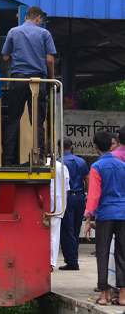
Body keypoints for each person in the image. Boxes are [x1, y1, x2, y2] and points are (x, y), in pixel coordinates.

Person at [1, 6, 57, 167]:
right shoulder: (45, 34)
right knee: (38, 121)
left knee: (13, 119)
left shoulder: (13, 32)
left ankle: (6, 160)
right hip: (38, 82)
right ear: (38, 17)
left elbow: (5, 57)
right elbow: (50, 60)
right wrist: (52, 80)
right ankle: (38, 158)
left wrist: (17, 55)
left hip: (18, 80)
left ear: (26, 17)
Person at [84, 131, 125, 305]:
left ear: (95, 146)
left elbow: (94, 195)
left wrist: (88, 218)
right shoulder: (122, 165)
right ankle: (123, 296)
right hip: (123, 212)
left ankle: (103, 295)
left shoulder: (97, 167)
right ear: (111, 144)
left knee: (102, 253)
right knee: (122, 254)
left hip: (106, 214)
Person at [58, 138, 90, 271]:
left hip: (67, 198)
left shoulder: (59, 163)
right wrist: (87, 195)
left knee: (67, 230)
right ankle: (73, 257)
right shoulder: (81, 161)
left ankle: (72, 261)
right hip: (79, 198)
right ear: (71, 147)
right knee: (76, 230)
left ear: (59, 149)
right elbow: (87, 178)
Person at [50, 159, 70, 271]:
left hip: (41, 203)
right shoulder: (62, 167)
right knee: (54, 235)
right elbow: (66, 189)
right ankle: (51, 262)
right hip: (57, 205)